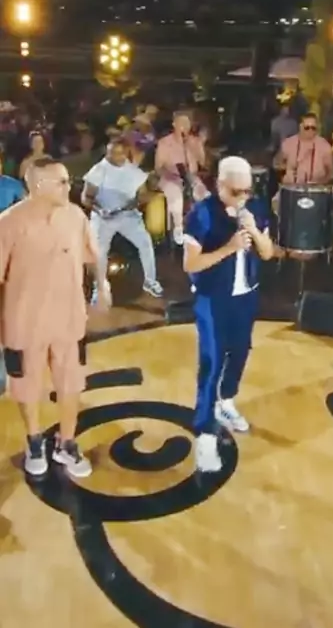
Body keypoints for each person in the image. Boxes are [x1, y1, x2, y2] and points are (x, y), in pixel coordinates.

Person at [0, 156, 111, 478]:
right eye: (61, 182)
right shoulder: (9, 223)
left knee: (71, 383)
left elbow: (92, 255)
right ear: (38, 185)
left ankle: (67, 442)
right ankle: (35, 442)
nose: (68, 186)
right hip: (23, 323)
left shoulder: (75, 216)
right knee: (26, 386)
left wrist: (102, 284)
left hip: (69, 319)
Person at [183, 156, 274, 473]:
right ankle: (205, 436)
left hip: (245, 295)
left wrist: (254, 231)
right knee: (211, 362)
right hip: (212, 299)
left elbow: (268, 252)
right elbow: (190, 264)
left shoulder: (255, 209)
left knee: (240, 351)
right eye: (236, 191)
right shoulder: (202, 214)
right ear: (220, 185)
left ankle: (226, 401)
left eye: (247, 191)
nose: (243, 198)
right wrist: (229, 247)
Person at [82, 140, 163, 300]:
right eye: (111, 152)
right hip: (102, 217)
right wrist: (100, 210)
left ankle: (150, 281)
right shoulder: (99, 170)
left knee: (145, 243)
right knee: (100, 252)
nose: (113, 156)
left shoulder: (133, 172)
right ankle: (100, 288)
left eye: (118, 153)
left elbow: (141, 196)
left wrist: (141, 199)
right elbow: (86, 197)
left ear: (125, 154)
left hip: (127, 216)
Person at [155, 110, 209, 246]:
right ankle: (178, 227)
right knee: (176, 196)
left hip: (191, 176)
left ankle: (205, 226)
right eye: (181, 123)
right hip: (170, 177)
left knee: (203, 195)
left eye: (187, 123)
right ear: (174, 124)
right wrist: (171, 173)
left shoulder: (194, 141)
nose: (184, 126)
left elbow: (203, 163)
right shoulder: (164, 142)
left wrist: (197, 146)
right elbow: (158, 167)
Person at [276, 112, 333, 185]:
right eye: (307, 128)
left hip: (316, 189)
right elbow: (278, 164)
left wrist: (322, 184)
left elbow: (330, 171)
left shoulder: (324, 146)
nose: (310, 130)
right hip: (291, 188)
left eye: (313, 128)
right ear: (300, 127)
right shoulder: (288, 143)